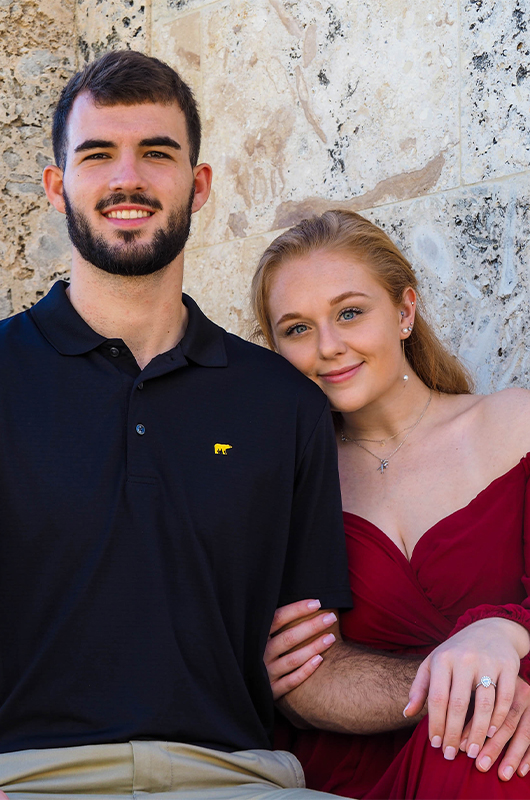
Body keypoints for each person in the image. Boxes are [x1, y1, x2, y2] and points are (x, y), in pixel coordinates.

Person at [0, 50, 525, 800]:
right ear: (55, 187)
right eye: (97, 155)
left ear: (199, 184)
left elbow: (309, 667)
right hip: (30, 778)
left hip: (242, 780)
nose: (128, 179)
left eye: (157, 153)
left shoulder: (280, 404)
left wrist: (487, 680)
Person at [251, 209, 530, 798]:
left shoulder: (515, 425)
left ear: (404, 311)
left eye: (350, 313)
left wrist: (503, 634)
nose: (329, 347)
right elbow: (304, 685)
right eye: (297, 329)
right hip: (360, 775)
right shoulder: (289, 485)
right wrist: (475, 686)